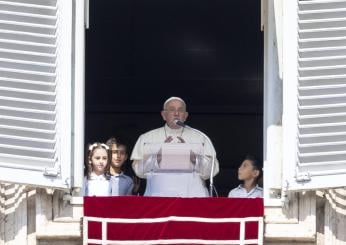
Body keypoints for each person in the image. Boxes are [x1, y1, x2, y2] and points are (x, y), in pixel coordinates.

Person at [131, 96, 219, 197]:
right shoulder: (146, 138)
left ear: (185, 116)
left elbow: (212, 171)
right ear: (164, 115)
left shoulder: (201, 137)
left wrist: (193, 157)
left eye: (180, 110)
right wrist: (158, 156)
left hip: (193, 198)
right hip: (158, 198)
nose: (176, 113)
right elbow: (138, 171)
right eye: (172, 110)